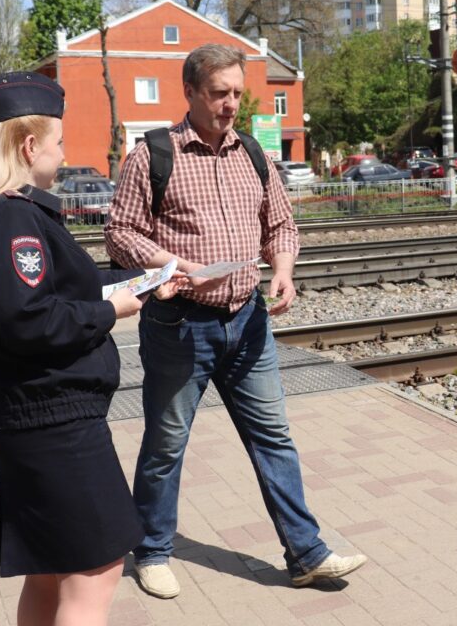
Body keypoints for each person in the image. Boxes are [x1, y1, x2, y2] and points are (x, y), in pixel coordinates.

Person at [105, 44, 367, 599]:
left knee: (274, 437)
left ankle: (306, 554)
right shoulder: (153, 154)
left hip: (247, 321)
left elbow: (282, 226)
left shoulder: (252, 152)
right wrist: (177, 266)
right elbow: (121, 234)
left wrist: (285, 272)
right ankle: (151, 551)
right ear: (191, 93)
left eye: (237, 94)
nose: (231, 105)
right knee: (167, 443)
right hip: (180, 325)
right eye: (219, 94)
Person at [0, 71, 181, 626]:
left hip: (38, 416)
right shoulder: (14, 218)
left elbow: (53, 293)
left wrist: (135, 284)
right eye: (59, 141)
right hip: (52, 422)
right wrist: (113, 311)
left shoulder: (14, 212)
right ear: (29, 146)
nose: (64, 151)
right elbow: (29, 320)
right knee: (96, 567)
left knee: (50, 567)